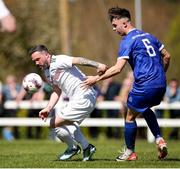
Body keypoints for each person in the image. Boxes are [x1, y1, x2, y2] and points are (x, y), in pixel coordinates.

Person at [84, 7, 170, 161]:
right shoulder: (150, 36)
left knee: (129, 116)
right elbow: (167, 56)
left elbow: (117, 69)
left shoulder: (127, 41)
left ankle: (130, 152)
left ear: (124, 23)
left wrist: (95, 79)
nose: (113, 28)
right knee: (144, 108)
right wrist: (161, 74)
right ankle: (159, 139)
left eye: (115, 25)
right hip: (161, 85)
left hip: (145, 85)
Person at [28, 44, 107, 161]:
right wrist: (48, 108)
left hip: (84, 96)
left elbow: (79, 60)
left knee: (53, 123)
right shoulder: (46, 72)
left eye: (37, 59)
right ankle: (86, 148)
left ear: (46, 54)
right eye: (34, 61)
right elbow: (56, 90)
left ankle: (73, 148)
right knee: (68, 123)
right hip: (77, 99)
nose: (36, 63)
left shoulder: (58, 60)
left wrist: (98, 65)